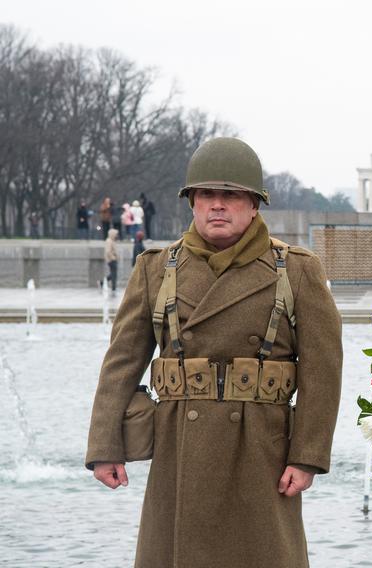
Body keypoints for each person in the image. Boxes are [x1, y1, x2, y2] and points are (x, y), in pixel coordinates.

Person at [85, 137, 342, 568]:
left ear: (255, 205)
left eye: (231, 196)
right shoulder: (155, 269)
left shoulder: (297, 269)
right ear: (192, 203)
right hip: (178, 449)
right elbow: (120, 365)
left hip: (262, 451)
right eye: (207, 195)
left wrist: (307, 456)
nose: (217, 206)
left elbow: (323, 371)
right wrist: (105, 445)